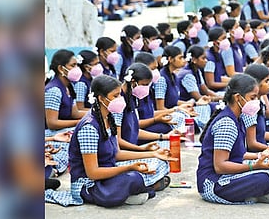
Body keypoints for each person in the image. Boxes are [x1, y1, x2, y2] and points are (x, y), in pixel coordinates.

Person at [45, 75, 177, 207]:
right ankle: (140, 188)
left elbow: (116, 154)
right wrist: (128, 168)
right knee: (133, 178)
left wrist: (152, 154)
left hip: (108, 172)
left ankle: (139, 189)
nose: (120, 99)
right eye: (115, 96)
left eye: (120, 95)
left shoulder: (109, 118)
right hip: (90, 184)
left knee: (158, 162)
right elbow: (93, 173)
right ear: (101, 98)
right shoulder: (89, 127)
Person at [197, 74, 269, 204]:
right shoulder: (226, 124)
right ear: (237, 98)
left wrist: (261, 155)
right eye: (253, 97)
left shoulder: (238, 118)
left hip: (230, 175)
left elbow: (237, 154)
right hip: (215, 183)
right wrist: (254, 166)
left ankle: (260, 192)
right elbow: (220, 166)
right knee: (264, 177)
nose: (256, 101)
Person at [45, 50, 86, 136]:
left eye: (77, 65)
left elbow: (75, 114)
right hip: (51, 135)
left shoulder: (69, 87)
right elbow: (52, 123)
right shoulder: (54, 90)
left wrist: (96, 114)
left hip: (64, 131)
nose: (77, 68)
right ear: (61, 69)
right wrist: (79, 122)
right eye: (73, 65)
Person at [204, 27, 230, 92]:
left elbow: (218, 77)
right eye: (223, 38)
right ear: (215, 42)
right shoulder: (210, 60)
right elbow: (211, 84)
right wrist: (230, 84)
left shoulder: (218, 54)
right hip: (214, 93)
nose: (226, 40)